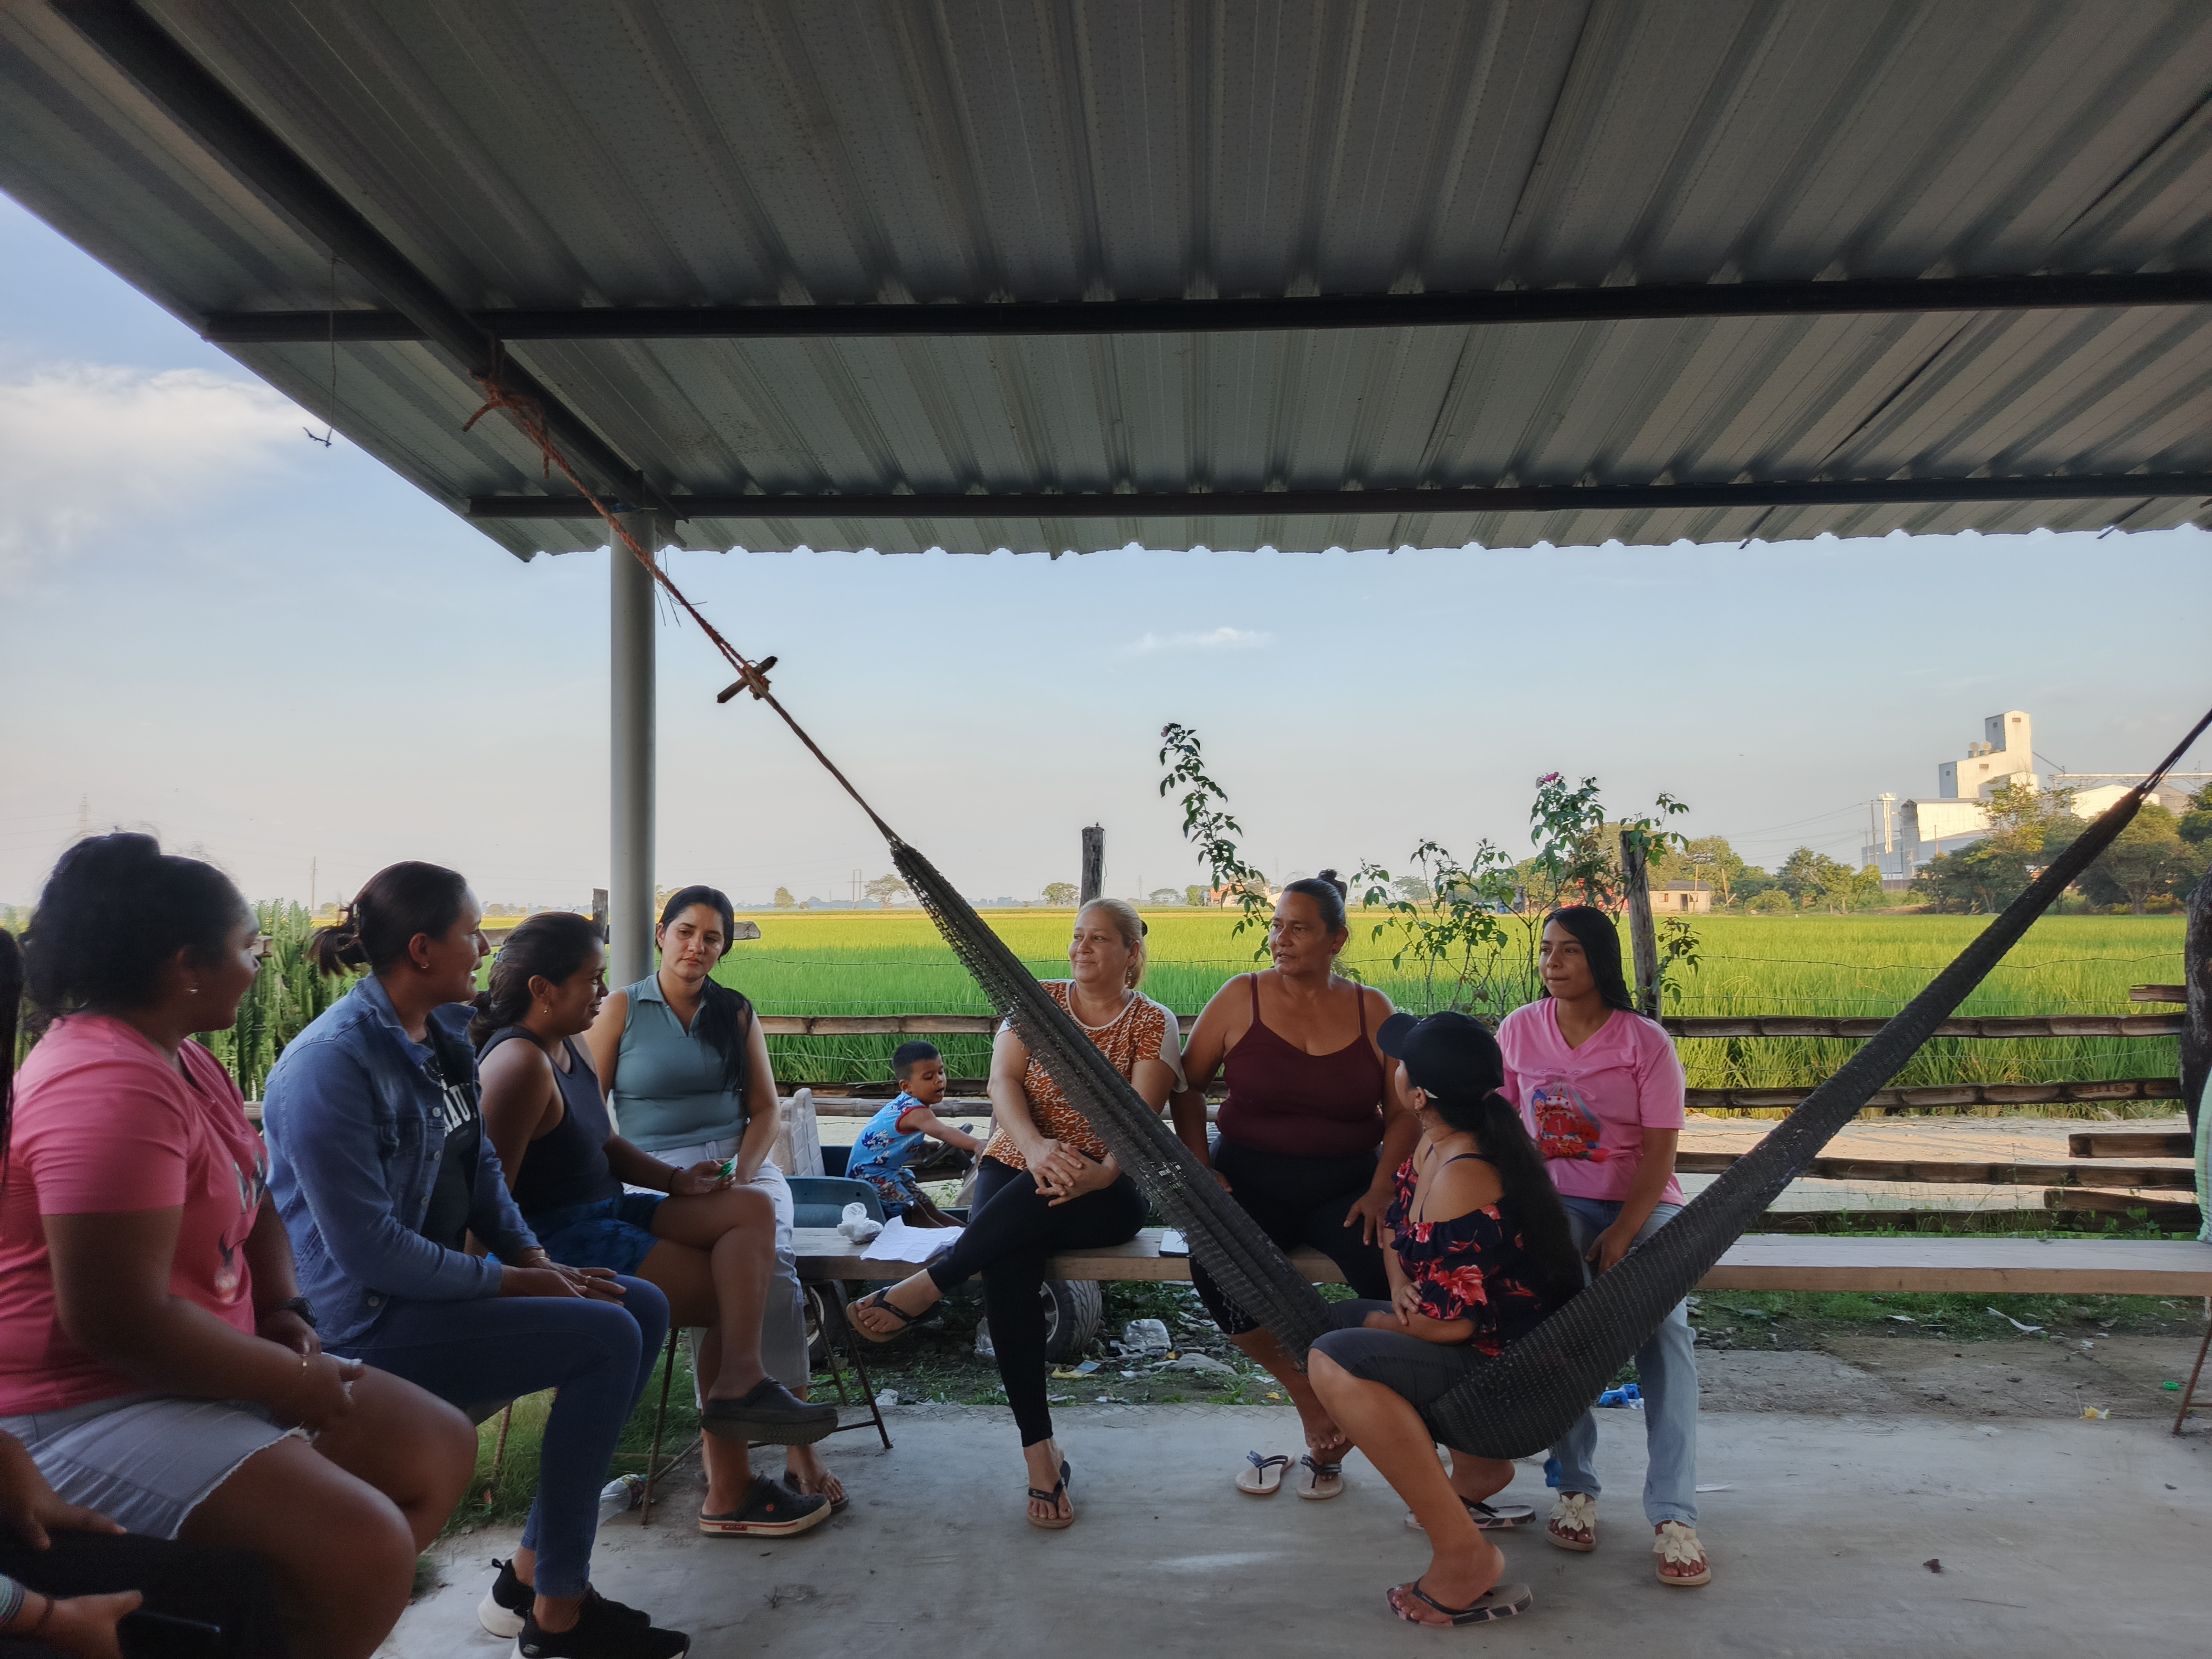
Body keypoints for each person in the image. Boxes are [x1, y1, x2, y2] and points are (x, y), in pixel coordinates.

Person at [0, 838, 477, 1659]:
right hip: (82, 1401)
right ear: (186, 964)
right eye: (249, 948)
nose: (259, 966)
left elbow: (255, 1200)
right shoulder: (104, 1084)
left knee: (435, 1448)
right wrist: (286, 1381)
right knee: (362, 1548)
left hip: (189, 1365)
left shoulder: (185, 1057)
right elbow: (117, 1321)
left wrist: (284, 1309)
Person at [261, 864, 710, 1659]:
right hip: (367, 1322)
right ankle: (559, 1614)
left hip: (432, 1298)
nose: (485, 949)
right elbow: (370, 1252)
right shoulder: (333, 1064)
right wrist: (515, 1278)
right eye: (472, 933)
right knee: (608, 1335)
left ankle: (533, 1579)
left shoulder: (441, 1038)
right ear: (422, 949)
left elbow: (482, 1175)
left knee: (636, 1303)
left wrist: (541, 1260)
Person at [474, 912, 836, 1541]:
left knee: (751, 1210)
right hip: (561, 1238)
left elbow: (602, 1142)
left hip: (609, 1207)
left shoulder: (567, 1044)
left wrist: (675, 1181)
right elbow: (487, 1198)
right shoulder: (518, 1066)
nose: (602, 991)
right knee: (730, 1287)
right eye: (591, 979)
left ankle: (742, 1378)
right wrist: (500, 1281)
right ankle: (728, 1489)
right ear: (542, 989)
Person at [847, 900, 1183, 1529]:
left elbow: (1141, 1116)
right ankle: (1039, 1455)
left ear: (1131, 952)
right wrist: (1034, 1149)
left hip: (1105, 1182)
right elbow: (1002, 1083)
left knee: (1004, 1237)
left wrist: (1105, 1170)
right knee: (1008, 1264)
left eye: (1099, 939)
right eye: (1077, 937)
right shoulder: (1034, 1004)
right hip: (1019, 1161)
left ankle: (934, 1281)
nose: (1082, 948)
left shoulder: (1151, 1021)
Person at [1306, 1010, 1583, 1626]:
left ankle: (1465, 1556)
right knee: (1328, 1326)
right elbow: (1395, 1227)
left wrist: (1381, 1324)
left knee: (1333, 1359)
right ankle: (1478, 1469)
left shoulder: (1466, 1175)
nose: (1395, 1068)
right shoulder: (1434, 1142)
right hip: (1473, 1335)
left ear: (1418, 1095)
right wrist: (1399, 1285)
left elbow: (1452, 1327)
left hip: (1504, 1367)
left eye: (1402, 1063)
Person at [584, 886, 845, 1511]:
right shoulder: (621, 1008)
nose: (695, 947)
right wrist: (659, 1176)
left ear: (723, 949)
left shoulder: (735, 1012)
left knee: (771, 1262)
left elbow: (766, 1110)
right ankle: (719, 1444)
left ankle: (797, 1442)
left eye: (711, 938)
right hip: (654, 1170)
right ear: (661, 935)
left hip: (739, 1163)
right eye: (685, 932)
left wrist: (742, 1172)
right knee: (716, 1269)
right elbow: (589, 1114)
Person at [1172, 872, 1412, 1499]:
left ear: (1337, 940)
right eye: (1276, 926)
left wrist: (1383, 1188)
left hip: (1348, 1187)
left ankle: (1381, 1411)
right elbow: (1187, 1086)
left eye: (1298, 928)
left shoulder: (1373, 1009)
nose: (1280, 939)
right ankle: (1310, 1397)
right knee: (1215, 1263)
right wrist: (1201, 1167)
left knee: (1394, 1280)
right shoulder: (1239, 997)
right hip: (1250, 1179)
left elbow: (1404, 1113)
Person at [1498, 905, 1710, 1588]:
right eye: (1545, 950)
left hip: (1642, 1203)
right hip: (1556, 1201)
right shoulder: (1518, 1030)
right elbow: (1503, 1131)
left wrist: (1622, 1231)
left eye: (1568, 951)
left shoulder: (1644, 1042)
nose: (1551, 963)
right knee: (1562, 1318)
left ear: (1599, 959)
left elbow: (1659, 1152)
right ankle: (1574, 1486)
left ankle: (1673, 1514)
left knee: (1665, 1327)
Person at [842, 1042, 983, 1226]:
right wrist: (977, 1145)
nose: (939, 1080)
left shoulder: (907, 1104)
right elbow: (943, 1131)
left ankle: (967, 1235)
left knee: (928, 1208)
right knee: (917, 1216)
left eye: (941, 1072)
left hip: (888, 1171)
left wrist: (926, 1147)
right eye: (928, 1077)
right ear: (907, 1086)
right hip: (872, 1177)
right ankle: (961, 1242)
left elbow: (894, 1140)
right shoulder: (917, 1112)